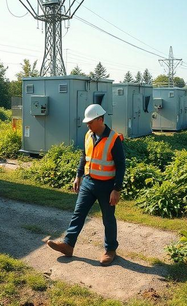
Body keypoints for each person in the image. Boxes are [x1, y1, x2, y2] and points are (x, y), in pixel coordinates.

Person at [46, 104, 126, 266]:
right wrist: (78, 176)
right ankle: (68, 245)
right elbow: (85, 157)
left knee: (108, 219)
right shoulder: (88, 135)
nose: (87, 124)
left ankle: (110, 250)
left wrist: (116, 189)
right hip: (88, 182)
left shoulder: (114, 139)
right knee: (78, 213)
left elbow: (121, 165)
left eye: (90, 121)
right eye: (87, 122)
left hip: (107, 185)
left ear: (100, 119)